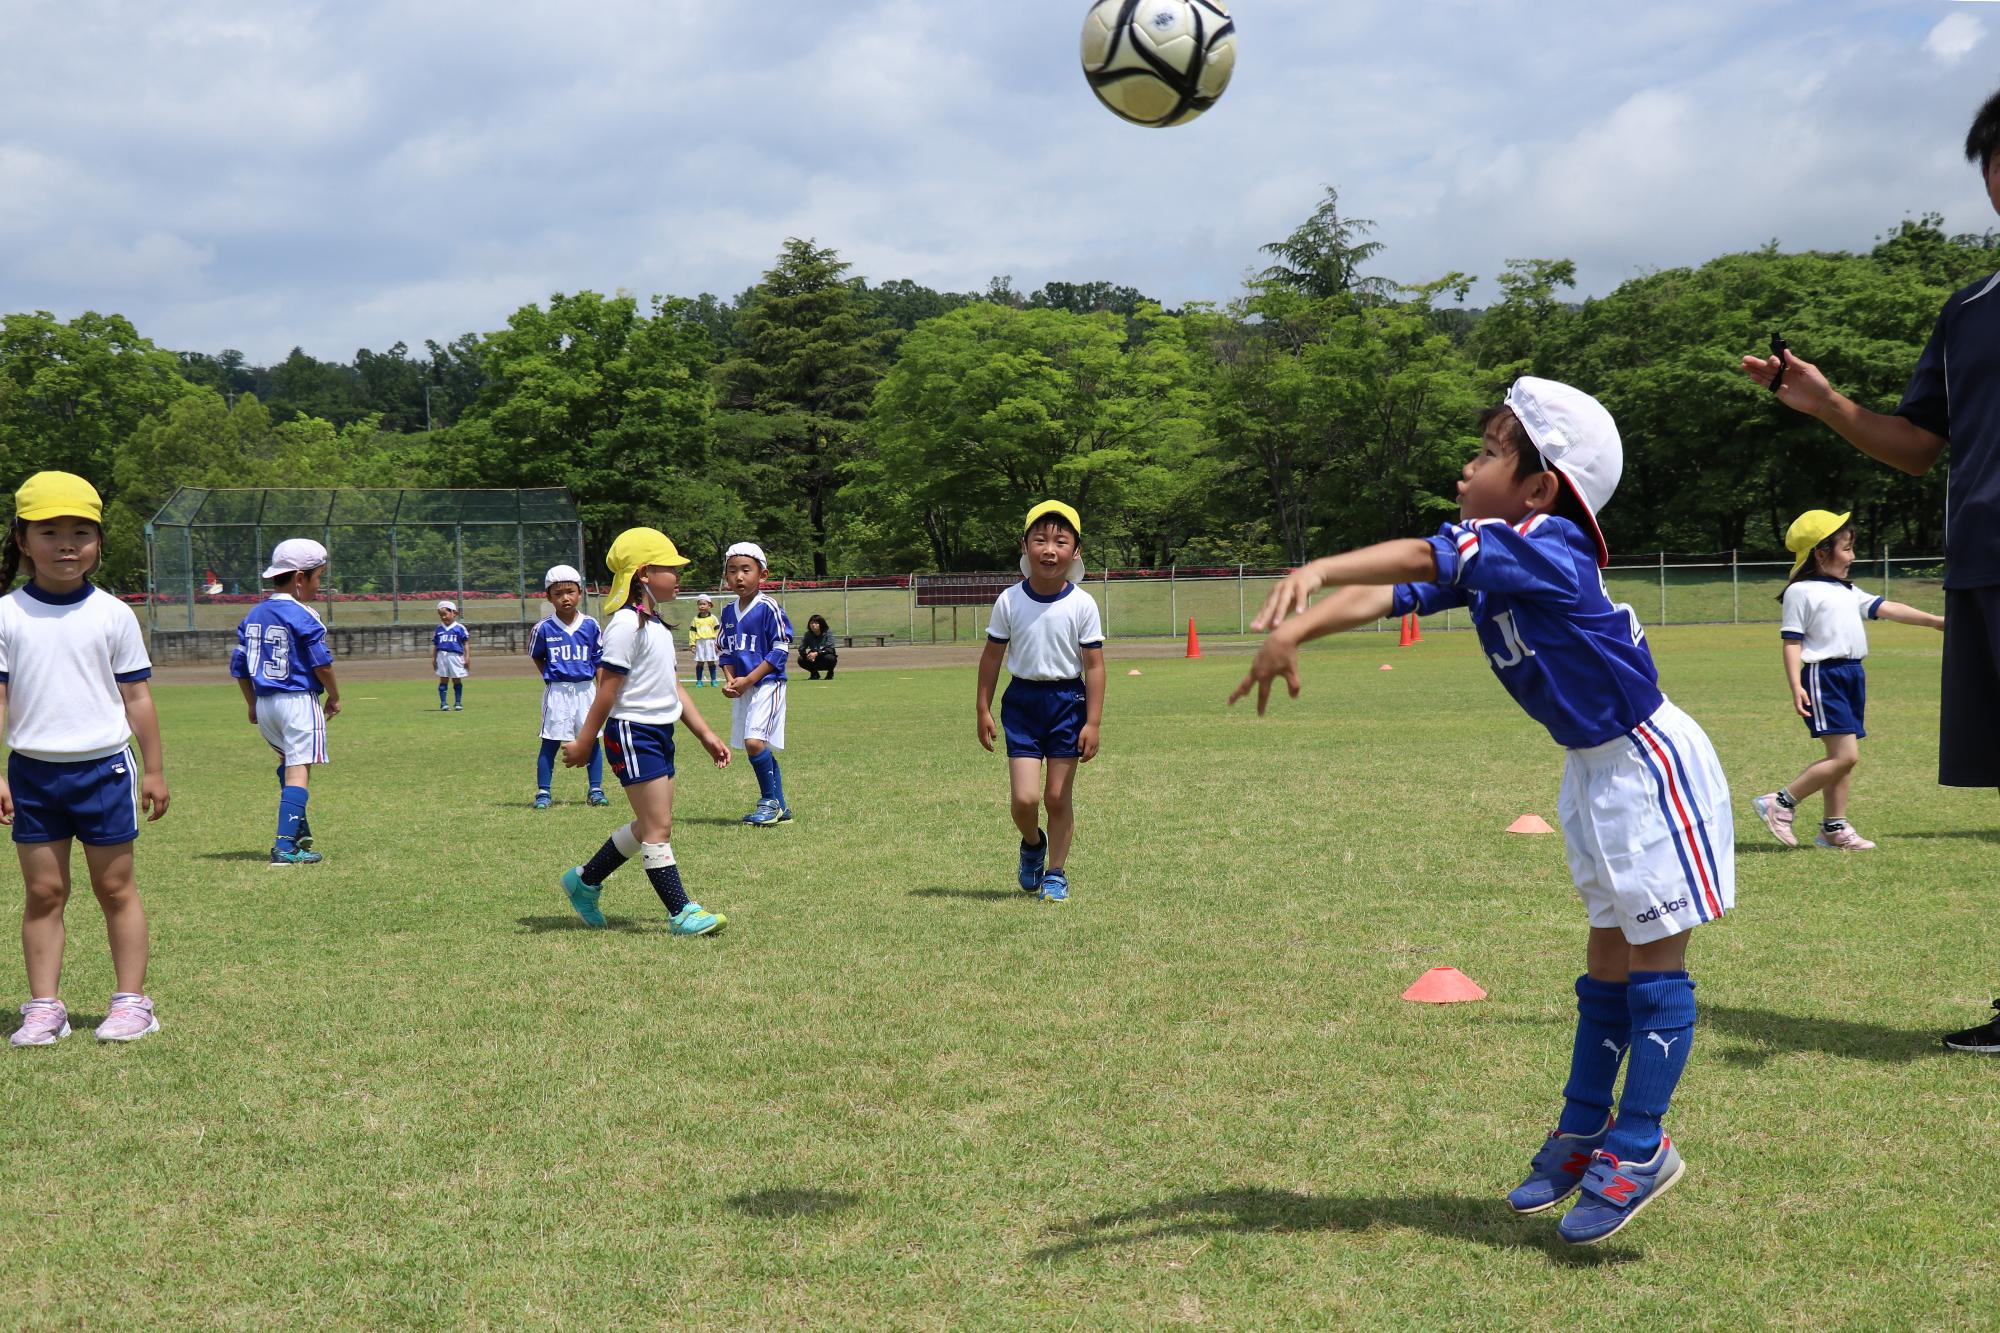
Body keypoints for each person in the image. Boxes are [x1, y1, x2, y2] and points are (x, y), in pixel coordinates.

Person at [1231, 380, 1733, 1245]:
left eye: (1491, 452)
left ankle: (1642, 1142)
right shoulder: (1500, 555)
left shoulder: (1546, 542)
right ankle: (1584, 1130)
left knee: (1652, 967)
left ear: (1539, 487)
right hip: (1590, 772)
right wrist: (1298, 627)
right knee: (1605, 964)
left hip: (1648, 767)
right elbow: (1396, 594)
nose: (1468, 466)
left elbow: (1420, 561)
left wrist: (1316, 567)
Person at [1739, 87, 2000, 1050]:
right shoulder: (1969, 310)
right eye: (1993, 159)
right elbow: (1918, 444)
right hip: (1982, 563)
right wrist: (1826, 403)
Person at [1, 472, 169, 1046]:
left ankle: (132, 1003)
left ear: (99, 541)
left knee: (116, 888)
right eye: (49, 532)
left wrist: (155, 768)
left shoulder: (114, 614)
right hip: (33, 774)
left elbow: (137, 696)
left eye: (81, 532)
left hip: (105, 770)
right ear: (22, 540)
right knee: (45, 893)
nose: (67, 544)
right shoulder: (6, 615)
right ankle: (44, 1007)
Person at [555, 529, 731, 936]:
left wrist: (705, 734)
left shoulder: (655, 625)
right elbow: (607, 690)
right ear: (646, 573)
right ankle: (682, 912)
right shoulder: (624, 625)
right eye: (672, 569)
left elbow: (673, 686)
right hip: (632, 733)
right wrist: (585, 741)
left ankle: (584, 881)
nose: (678, 576)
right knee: (658, 828)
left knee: (648, 823)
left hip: (658, 733)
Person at [1751, 511, 1944, 851]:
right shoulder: (1801, 592)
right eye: (1846, 548)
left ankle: (1833, 828)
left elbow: (1887, 607)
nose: (1853, 557)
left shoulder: (1846, 590)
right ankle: (1780, 801)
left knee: (1841, 757)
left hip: (1852, 673)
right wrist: (1796, 685)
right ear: (1820, 553)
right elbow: (1792, 642)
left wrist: (1935, 621)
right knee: (1845, 756)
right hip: (1824, 676)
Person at [974, 501, 1106, 904]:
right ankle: (1033, 843)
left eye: (1061, 541)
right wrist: (983, 708)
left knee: (1056, 797)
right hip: (1023, 703)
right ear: (1025, 546)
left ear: (1076, 551)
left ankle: (1056, 872)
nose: (1050, 549)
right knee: (1025, 800)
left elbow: (1095, 666)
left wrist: (1094, 722)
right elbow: (992, 656)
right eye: (1041, 540)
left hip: (1068, 701)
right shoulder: (1010, 600)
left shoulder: (1082, 603)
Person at [230, 538, 340, 866]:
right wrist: (334, 696)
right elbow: (322, 664)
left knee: (288, 765)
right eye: (318, 577)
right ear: (299, 578)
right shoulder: (303, 615)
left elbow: (238, 667)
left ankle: (299, 835)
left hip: (266, 704)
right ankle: (284, 847)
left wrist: (251, 704)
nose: (319, 585)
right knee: (297, 770)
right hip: (297, 700)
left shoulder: (253, 614)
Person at [719, 542, 794, 826]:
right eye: (732, 570)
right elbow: (725, 651)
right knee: (757, 745)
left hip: (768, 684)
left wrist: (750, 678)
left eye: (746, 570)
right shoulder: (727, 612)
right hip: (744, 688)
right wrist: (730, 681)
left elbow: (780, 649)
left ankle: (768, 801)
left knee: (754, 742)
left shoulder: (768, 607)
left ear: (762, 575)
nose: (739, 576)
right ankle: (781, 807)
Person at [528, 564, 608, 809]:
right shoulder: (543, 628)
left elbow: (598, 659)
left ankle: (595, 789)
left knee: (592, 738)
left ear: (580, 593)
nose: (565, 598)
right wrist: (552, 677)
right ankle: (543, 792)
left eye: (570, 592)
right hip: (558, 692)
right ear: (548, 597)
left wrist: (601, 688)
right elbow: (537, 655)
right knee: (550, 740)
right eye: (558, 593)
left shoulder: (591, 625)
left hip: (586, 690)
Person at [434, 600, 469, 711]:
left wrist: (467, 657)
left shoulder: (459, 628)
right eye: (441, 615)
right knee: (443, 679)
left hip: (455, 656)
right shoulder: (439, 629)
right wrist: (433, 658)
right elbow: (436, 645)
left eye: (445, 614)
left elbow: (466, 643)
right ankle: (443, 703)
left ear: (454, 613)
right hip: (442, 655)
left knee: (456, 679)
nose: (443, 617)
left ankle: (458, 703)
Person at [688, 594, 721, 688]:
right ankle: (699, 681)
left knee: (711, 661)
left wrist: (717, 643)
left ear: (709, 605)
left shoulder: (713, 618)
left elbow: (717, 631)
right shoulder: (695, 619)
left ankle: (713, 680)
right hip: (700, 643)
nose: (701, 606)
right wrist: (692, 644)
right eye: (700, 604)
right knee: (700, 662)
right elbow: (692, 632)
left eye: (704, 604)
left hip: (711, 642)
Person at [798, 614, 838, 680]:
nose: (813, 625)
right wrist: (807, 655)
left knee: (831, 658)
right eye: (811, 623)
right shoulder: (808, 634)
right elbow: (801, 648)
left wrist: (817, 653)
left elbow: (830, 649)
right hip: (813, 659)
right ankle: (814, 674)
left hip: (824, 657)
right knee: (801, 659)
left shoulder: (828, 633)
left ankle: (830, 673)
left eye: (816, 623)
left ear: (821, 624)